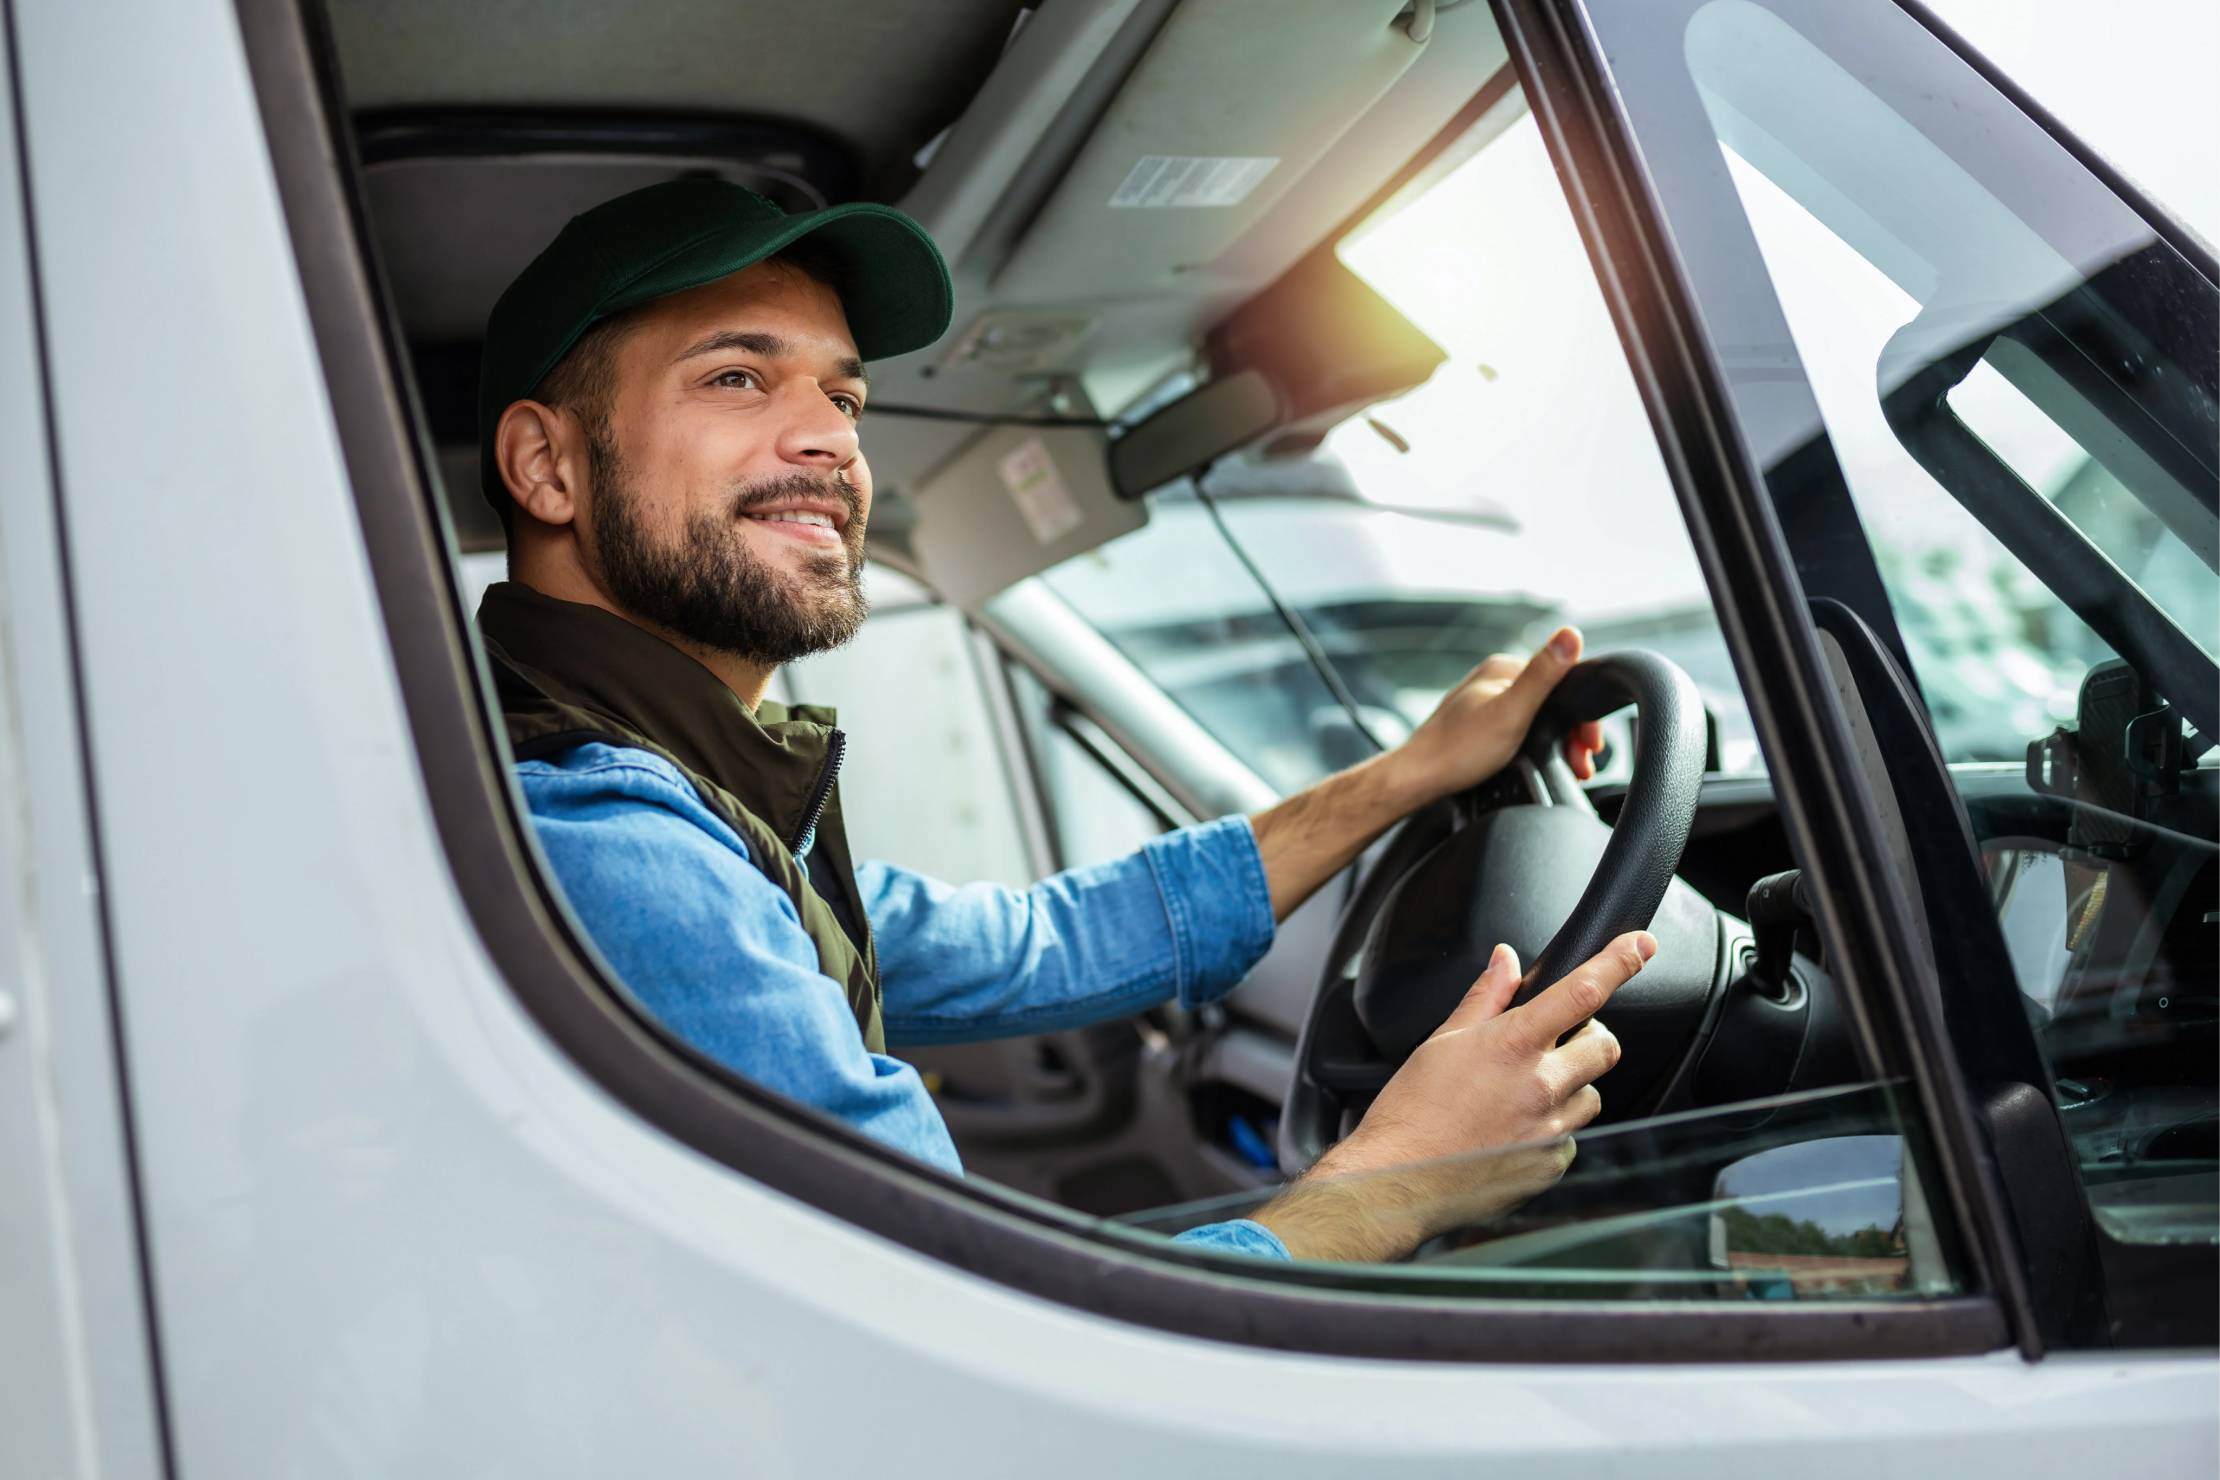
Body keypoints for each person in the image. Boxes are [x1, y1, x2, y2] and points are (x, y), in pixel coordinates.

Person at [475, 179, 1653, 1263]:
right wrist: (1406, 1174)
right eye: (737, 377)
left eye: (843, 393)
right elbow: (967, 1339)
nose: (832, 436)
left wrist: (1405, 775)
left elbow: (1040, 943)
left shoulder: (688, 800)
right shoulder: (611, 844)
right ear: (547, 464)